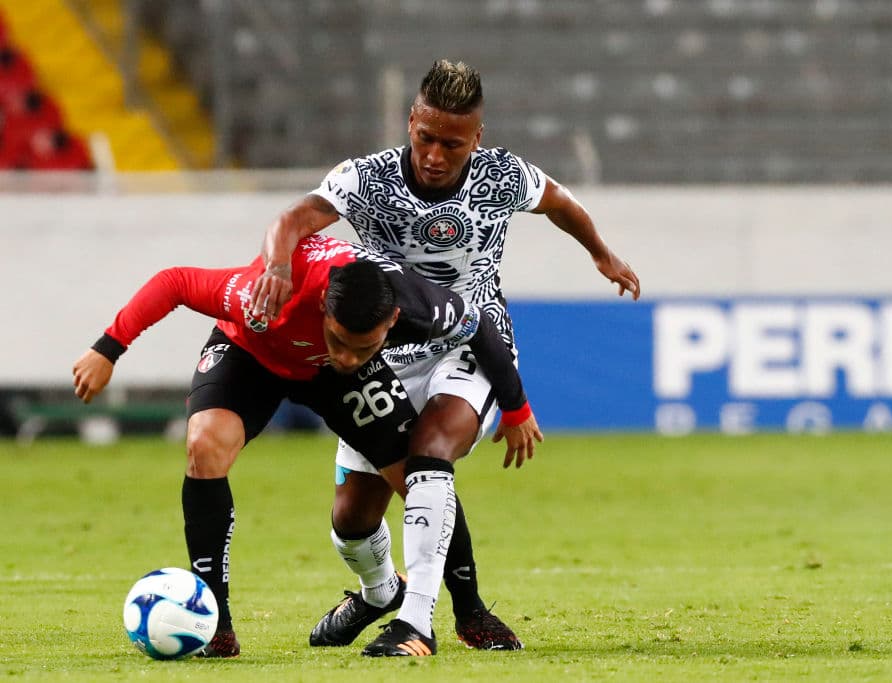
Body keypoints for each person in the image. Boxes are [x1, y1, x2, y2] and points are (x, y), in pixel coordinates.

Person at [249, 59, 640, 654]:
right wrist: (278, 264)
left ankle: (417, 622)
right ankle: (379, 590)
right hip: (385, 349)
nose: (435, 155)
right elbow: (294, 220)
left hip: (473, 341)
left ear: (476, 138)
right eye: (425, 137)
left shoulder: (502, 176)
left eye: (452, 145)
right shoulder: (366, 177)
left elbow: (561, 202)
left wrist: (602, 254)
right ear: (410, 121)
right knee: (351, 521)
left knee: (431, 451)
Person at [72, 234, 541, 658]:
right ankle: (217, 624)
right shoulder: (265, 297)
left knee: (420, 479)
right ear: (323, 312)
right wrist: (108, 347)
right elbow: (175, 282)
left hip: (334, 383)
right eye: (340, 340)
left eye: (365, 347)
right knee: (205, 443)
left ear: (393, 320)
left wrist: (517, 408)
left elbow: (481, 329)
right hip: (252, 356)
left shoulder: (418, 304)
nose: (348, 355)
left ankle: (470, 610)